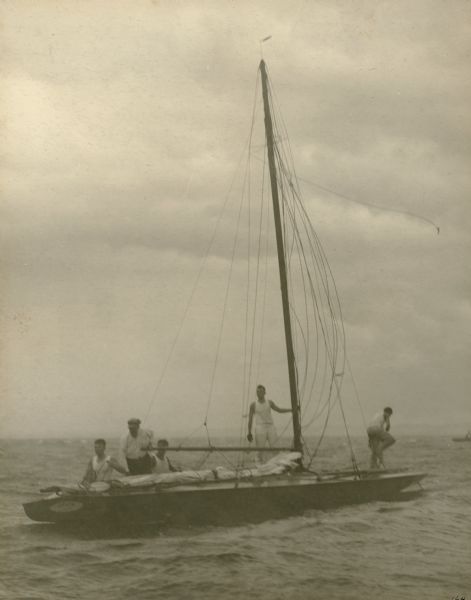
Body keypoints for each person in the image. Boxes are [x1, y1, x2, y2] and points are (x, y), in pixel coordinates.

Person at [247, 384, 292, 463]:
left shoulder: (269, 402)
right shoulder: (253, 405)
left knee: (275, 448)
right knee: (260, 450)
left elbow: (279, 410)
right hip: (260, 428)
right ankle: (259, 466)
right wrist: (249, 432)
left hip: (270, 426)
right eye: (257, 392)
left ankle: (278, 464)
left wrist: (291, 410)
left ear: (265, 392)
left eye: (261, 391)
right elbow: (250, 419)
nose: (259, 393)